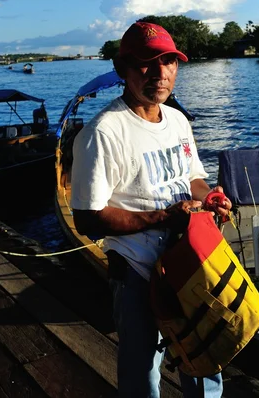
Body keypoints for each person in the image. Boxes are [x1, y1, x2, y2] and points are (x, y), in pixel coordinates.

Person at [69, 21, 231, 398]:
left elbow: (193, 178)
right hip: (138, 273)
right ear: (122, 69)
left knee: (205, 359)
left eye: (169, 62)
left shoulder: (176, 120)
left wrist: (210, 198)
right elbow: (87, 218)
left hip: (191, 262)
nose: (160, 74)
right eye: (146, 63)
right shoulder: (103, 133)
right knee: (143, 374)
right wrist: (163, 217)